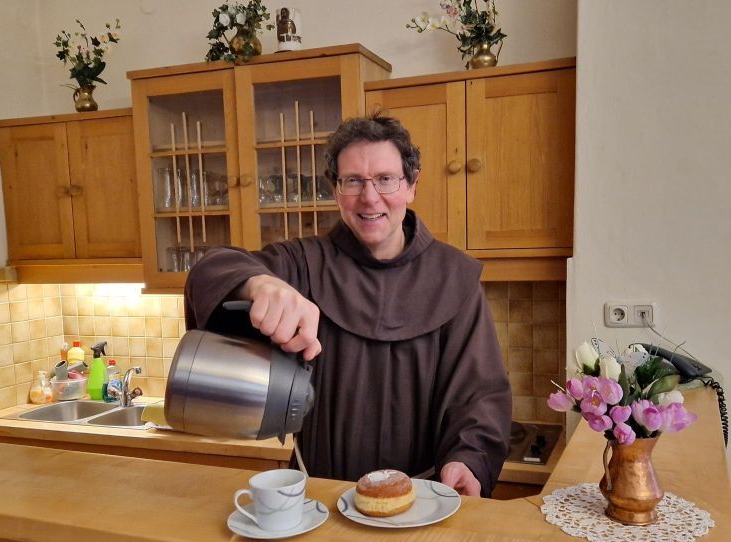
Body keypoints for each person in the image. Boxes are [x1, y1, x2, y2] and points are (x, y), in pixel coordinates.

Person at [184, 115, 511, 497]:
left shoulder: (454, 277)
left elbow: (480, 394)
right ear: (336, 190)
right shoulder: (303, 263)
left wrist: (468, 459)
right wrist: (258, 283)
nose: (369, 197)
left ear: (411, 185)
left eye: (385, 179)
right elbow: (211, 269)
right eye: (353, 181)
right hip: (318, 500)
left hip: (421, 502)